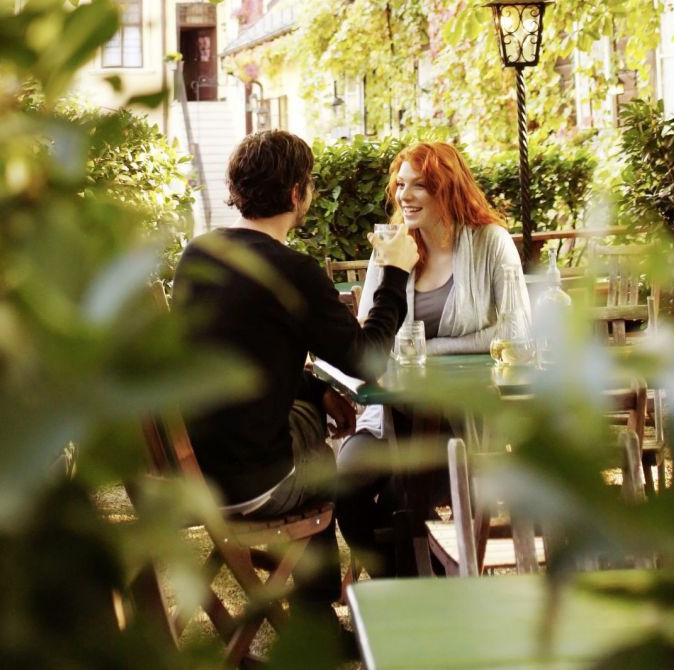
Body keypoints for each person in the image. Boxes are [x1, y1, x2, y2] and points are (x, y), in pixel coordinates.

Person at [170, 130, 419, 622]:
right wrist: (394, 274)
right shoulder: (294, 271)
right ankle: (319, 612)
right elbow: (368, 360)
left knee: (310, 422)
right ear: (295, 194)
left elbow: (246, 356)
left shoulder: (199, 254)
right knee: (323, 462)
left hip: (192, 474)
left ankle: (317, 613)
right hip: (249, 482)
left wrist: (316, 389)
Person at [336, 141, 531, 576]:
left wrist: (424, 349)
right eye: (401, 184)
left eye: (420, 186)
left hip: (465, 420)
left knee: (405, 495)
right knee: (346, 486)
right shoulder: (392, 246)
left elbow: (515, 333)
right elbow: (372, 336)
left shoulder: (490, 243)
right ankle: (411, 582)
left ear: (448, 190)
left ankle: (428, 586)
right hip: (387, 417)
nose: (404, 196)